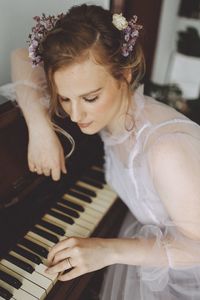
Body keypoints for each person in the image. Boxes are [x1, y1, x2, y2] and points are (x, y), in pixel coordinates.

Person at [3, 4, 200, 299]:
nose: (75, 114)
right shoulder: (102, 104)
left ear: (125, 74)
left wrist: (107, 250)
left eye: (90, 98)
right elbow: (20, 56)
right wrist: (40, 128)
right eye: (64, 98)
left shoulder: (166, 150)